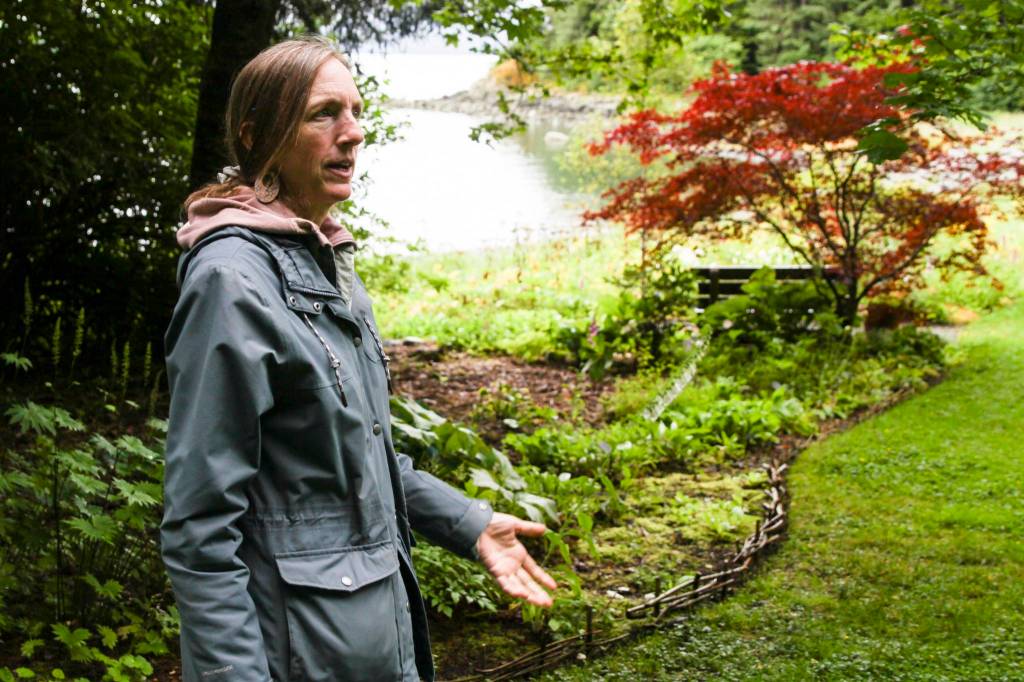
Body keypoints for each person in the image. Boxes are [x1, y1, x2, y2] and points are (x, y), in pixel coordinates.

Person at [161, 36, 556, 682]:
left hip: (371, 650)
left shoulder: (324, 263)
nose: (354, 133)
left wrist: (469, 523)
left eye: (356, 111)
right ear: (257, 136)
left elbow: (361, 457)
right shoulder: (232, 281)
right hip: (299, 659)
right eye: (324, 113)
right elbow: (200, 526)